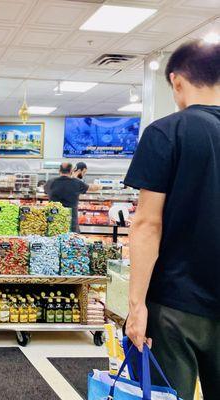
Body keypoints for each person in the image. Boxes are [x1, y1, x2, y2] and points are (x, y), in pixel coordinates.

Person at [124, 39, 220, 399]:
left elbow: (148, 223)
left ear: (177, 81)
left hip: (174, 305)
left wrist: (136, 307)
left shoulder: (167, 132)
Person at [44, 162, 99, 232]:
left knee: (53, 238)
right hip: (71, 220)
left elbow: (45, 191)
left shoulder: (50, 182)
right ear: (71, 171)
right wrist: (100, 186)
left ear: (59, 171)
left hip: (54, 218)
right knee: (72, 240)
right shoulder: (76, 182)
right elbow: (92, 188)